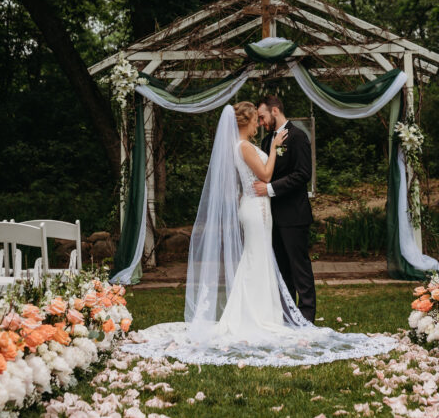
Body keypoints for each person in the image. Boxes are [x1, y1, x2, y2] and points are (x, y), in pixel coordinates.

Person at [121, 102, 396, 368]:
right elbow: (264, 175)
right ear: (246, 121)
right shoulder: (244, 146)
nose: (258, 125)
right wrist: (275, 148)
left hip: (258, 207)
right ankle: (257, 316)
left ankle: (268, 314)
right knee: (257, 260)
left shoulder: (246, 145)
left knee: (260, 260)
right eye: (255, 120)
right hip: (256, 209)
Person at [254, 95, 316, 322]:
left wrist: (269, 189)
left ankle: (307, 316)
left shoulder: (298, 136)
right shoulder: (265, 142)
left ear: (275, 111)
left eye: (262, 117)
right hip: (272, 217)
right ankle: (288, 316)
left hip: (294, 215)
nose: (261, 123)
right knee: (281, 269)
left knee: (299, 269)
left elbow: (302, 174)